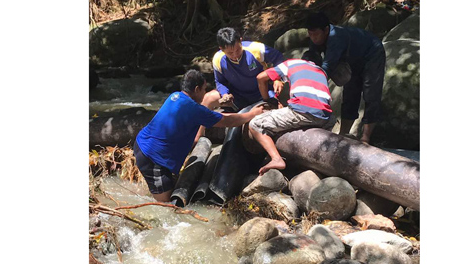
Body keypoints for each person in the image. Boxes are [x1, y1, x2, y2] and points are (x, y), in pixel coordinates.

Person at [134, 70, 264, 202]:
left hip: (142, 146)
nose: (204, 93)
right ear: (196, 89)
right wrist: (252, 114)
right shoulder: (194, 109)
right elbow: (228, 121)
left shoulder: (176, 96)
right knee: (167, 207)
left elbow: (197, 118)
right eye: (204, 89)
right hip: (152, 158)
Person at [305, 11, 386, 144]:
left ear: (326, 30)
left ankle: (365, 138)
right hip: (351, 60)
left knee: (371, 94)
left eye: (316, 34)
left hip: (372, 53)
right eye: (310, 34)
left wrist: (311, 89)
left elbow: (327, 67)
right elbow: (312, 59)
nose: (313, 38)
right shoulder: (316, 38)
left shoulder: (336, 38)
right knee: (349, 94)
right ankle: (343, 134)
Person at [248, 51, 333, 175]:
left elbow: (260, 77)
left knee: (256, 124)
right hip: (325, 116)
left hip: (302, 110)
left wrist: (268, 100)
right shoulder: (321, 71)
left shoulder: (292, 63)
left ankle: (276, 159)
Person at [202, 27, 285, 110]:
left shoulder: (255, 49)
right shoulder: (218, 59)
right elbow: (220, 81)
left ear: (240, 41)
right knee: (209, 98)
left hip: (264, 92)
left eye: (238, 50)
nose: (235, 55)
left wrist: (277, 79)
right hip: (238, 96)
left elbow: (279, 58)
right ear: (221, 49)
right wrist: (224, 94)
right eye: (230, 53)